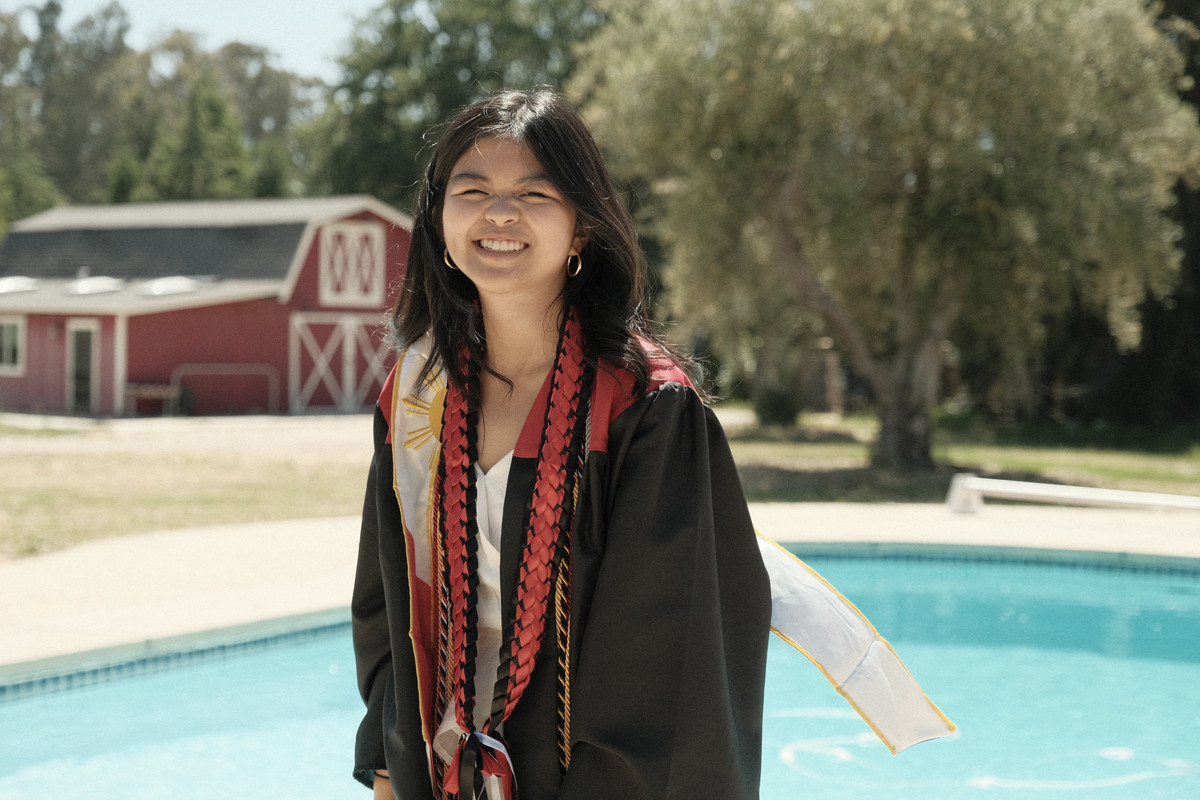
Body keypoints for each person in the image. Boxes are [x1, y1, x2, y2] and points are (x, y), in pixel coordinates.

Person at [351, 89, 773, 800]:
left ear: (581, 229)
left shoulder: (645, 409)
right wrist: (391, 772)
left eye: (534, 194)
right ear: (439, 220)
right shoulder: (418, 397)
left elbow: (665, 674)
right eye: (472, 191)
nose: (500, 213)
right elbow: (385, 609)